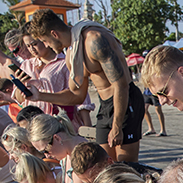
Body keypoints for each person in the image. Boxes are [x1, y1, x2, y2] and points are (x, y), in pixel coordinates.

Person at [27, 8, 144, 162]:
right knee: (105, 164)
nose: (47, 46)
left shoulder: (95, 40)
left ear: (54, 34)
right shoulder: (72, 54)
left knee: (126, 166)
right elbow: (76, 96)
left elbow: (121, 85)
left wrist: (117, 126)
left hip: (126, 99)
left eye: (45, 41)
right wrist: (40, 96)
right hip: (106, 105)